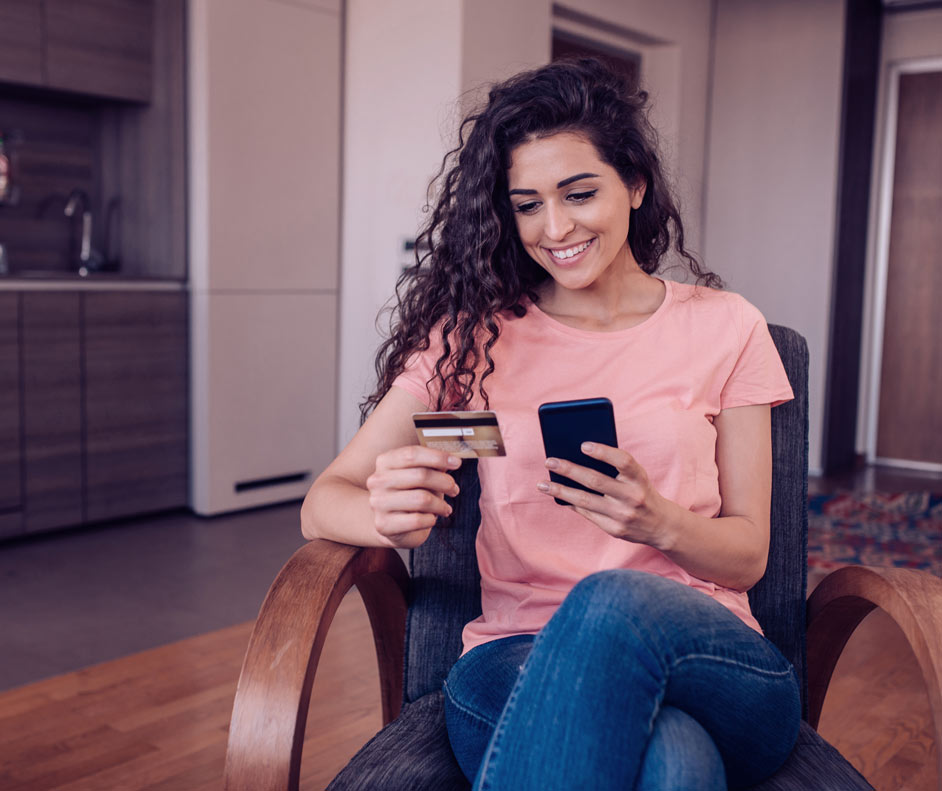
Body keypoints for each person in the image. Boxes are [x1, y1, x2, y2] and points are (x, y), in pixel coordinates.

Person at [301, 58, 801, 790]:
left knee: (610, 600)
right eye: (527, 204)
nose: (555, 227)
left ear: (635, 184)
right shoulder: (474, 341)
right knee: (675, 762)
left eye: (580, 193)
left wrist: (658, 522)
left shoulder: (727, 327)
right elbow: (324, 500)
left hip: (708, 652)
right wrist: (383, 513)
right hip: (514, 655)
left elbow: (749, 555)